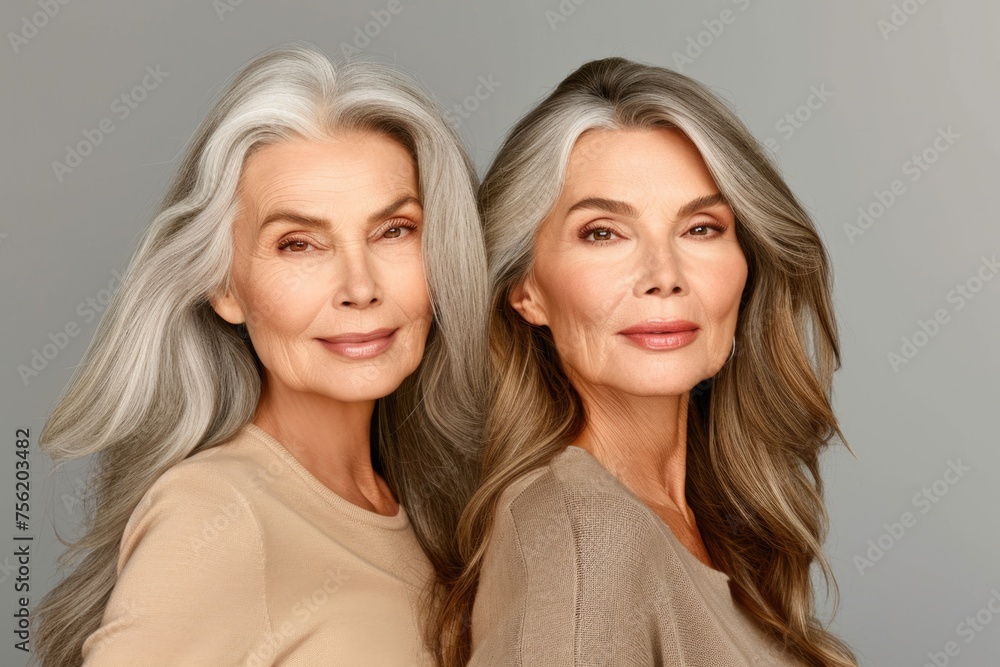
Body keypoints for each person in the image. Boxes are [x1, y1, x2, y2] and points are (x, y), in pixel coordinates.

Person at [32, 42, 487, 666]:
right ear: (224, 285)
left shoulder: (437, 505)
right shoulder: (217, 513)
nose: (360, 287)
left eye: (394, 230)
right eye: (299, 244)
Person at [437, 56, 860, 666]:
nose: (663, 277)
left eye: (701, 228)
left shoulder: (708, 520)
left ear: (748, 267)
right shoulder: (580, 533)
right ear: (525, 290)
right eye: (603, 233)